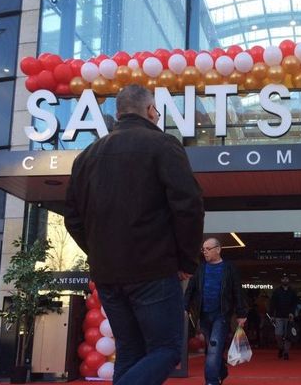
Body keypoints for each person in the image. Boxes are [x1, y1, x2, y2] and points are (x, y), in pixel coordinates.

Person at [64, 84, 204, 385]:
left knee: (130, 349)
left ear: (118, 112)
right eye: (155, 109)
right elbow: (189, 206)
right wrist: (186, 261)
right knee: (166, 349)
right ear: (150, 110)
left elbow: (72, 219)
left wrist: (99, 251)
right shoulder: (163, 145)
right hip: (152, 268)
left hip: (107, 274)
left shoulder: (86, 157)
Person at [184, 238, 247, 385]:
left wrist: (241, 313)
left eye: (208, 249)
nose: (205, 252)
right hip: (204, 315)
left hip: (222, 315)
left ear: (218, 249)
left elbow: (237, 291)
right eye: (203, 249)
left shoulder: (229, 268)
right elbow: (190, 290)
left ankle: (211, 382)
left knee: (213, 347)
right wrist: (184, 307)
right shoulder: (200, 269)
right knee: (211, 349)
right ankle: (221, 371)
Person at [270, 274, 298, 360]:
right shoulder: (277, 291)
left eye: (286, 278)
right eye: (283, 279)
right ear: (281, 280)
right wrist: (272, 315)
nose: (285, 280)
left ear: (288, 280)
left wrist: (292, 313)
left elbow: (294, 304)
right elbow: (273, 304)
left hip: (289, 317)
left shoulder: (292, 291)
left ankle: (286, 352)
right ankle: (281, 348)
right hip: (278, 316)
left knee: (288, 335)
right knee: (278, 334)